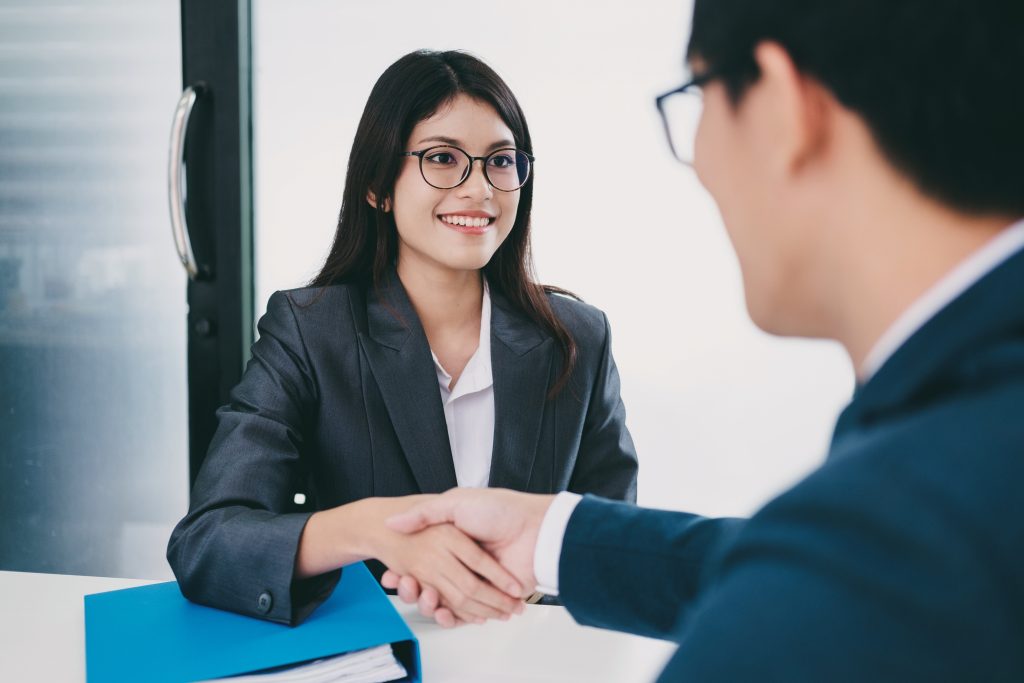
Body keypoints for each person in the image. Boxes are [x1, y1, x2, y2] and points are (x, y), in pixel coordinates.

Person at [383, 0, 1024, 678]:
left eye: (696, 96)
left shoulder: (879, 540)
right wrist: (555, 538)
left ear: (779, 105)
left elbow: (859, 573)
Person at [166, 50, 638, 628]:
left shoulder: (577, 338)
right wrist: (381, 530)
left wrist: (534, 575)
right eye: (442, 158)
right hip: (376, 656)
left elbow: (619, 550)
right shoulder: (310, 330)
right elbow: (207, 541)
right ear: (377, 186)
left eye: (500, 161)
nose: (480, 189)